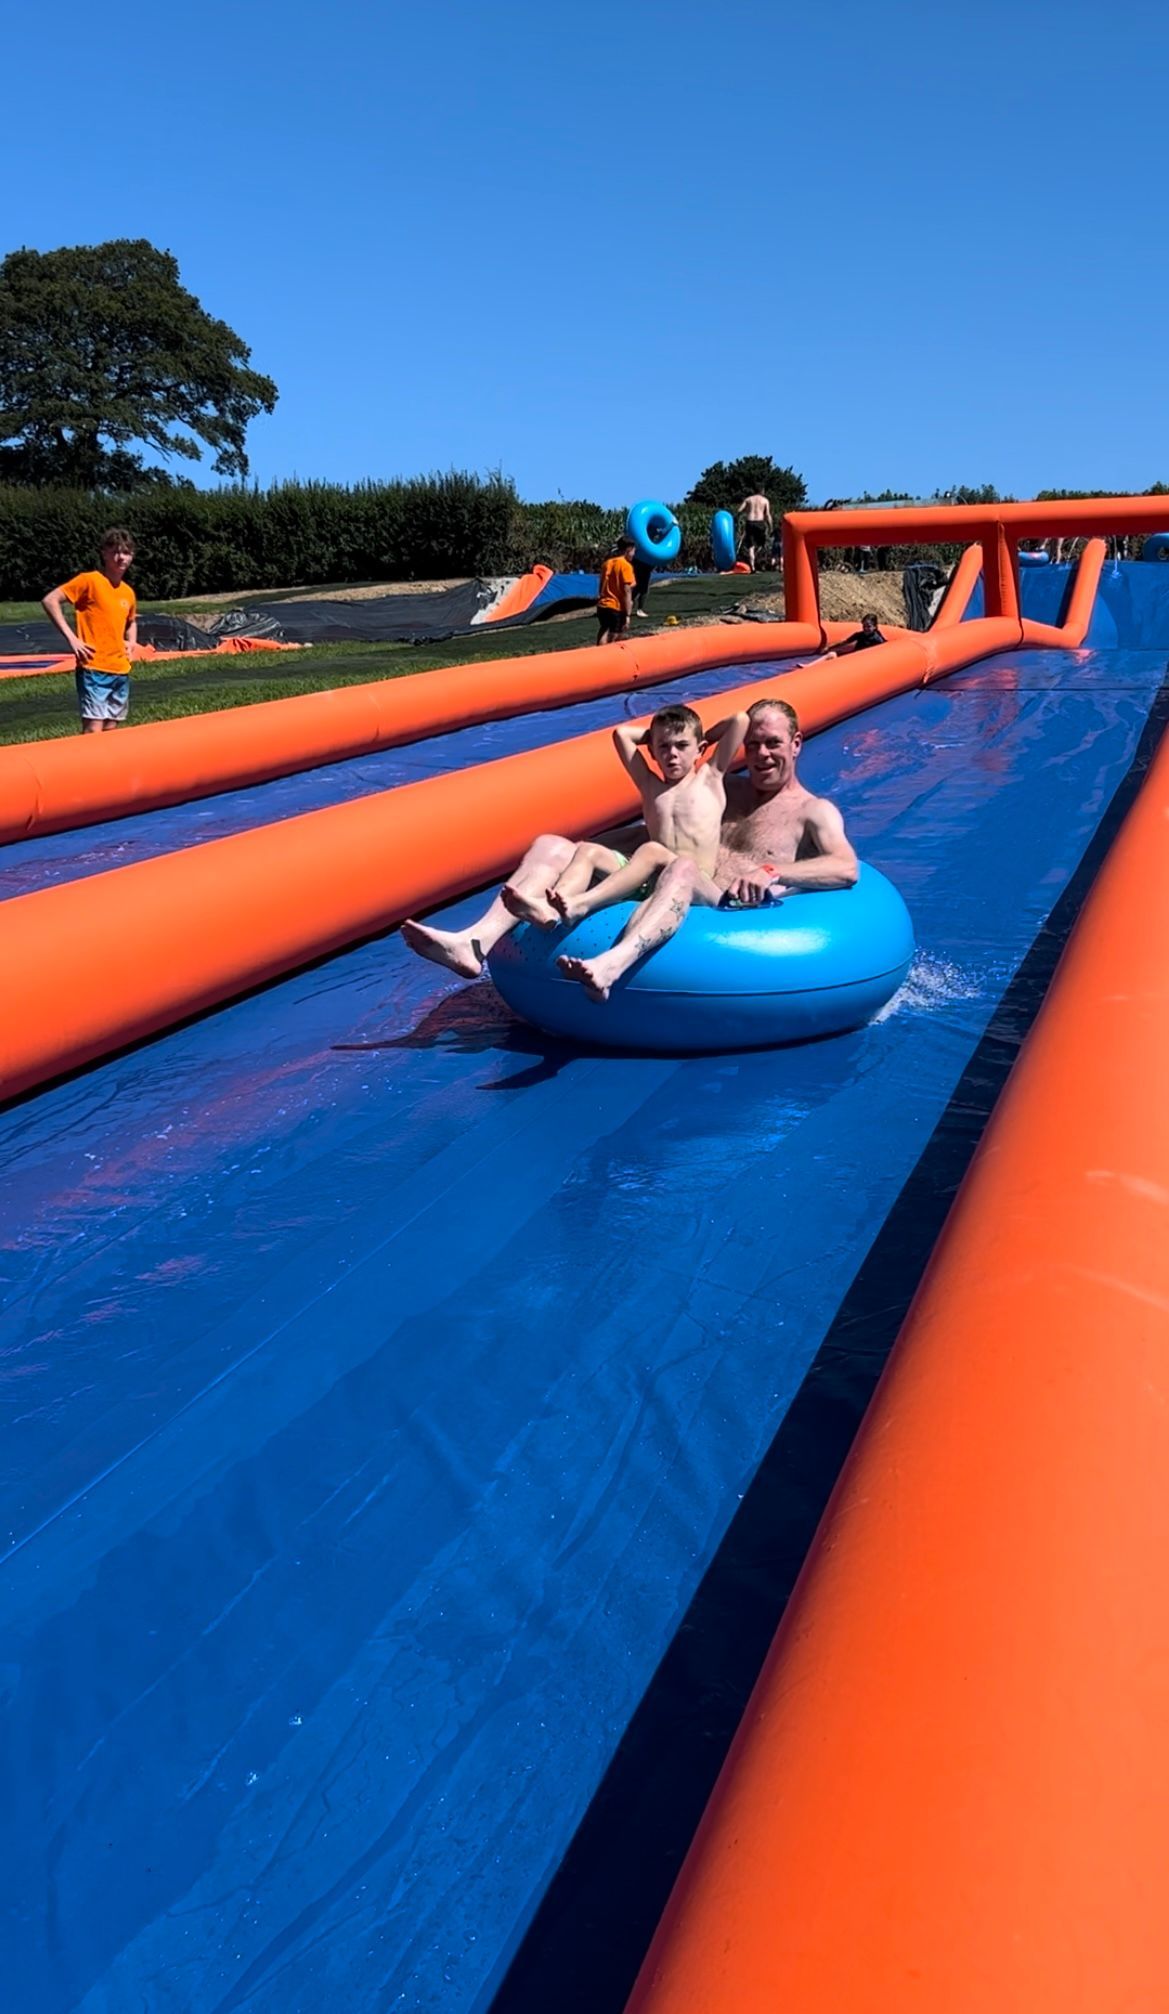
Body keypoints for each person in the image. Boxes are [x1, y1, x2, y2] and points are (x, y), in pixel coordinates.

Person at [399, 699, 857, 1004]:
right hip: (665, 882)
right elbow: (665, 826)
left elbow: (846, 867)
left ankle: (610, 965)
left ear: (796, 745)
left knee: (675, 866)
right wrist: (584, 850)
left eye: (773, 743)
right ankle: (473, 941)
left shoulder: (812, 812)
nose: (760, 754)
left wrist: (775, 871)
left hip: (724, 919)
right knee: (553, 846)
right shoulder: (724, 789)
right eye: (753, 744)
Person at [541, 703, 751, 934]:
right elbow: (621, 735)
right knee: (588, 851)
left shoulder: (710, 778)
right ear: (651, 752)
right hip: (652, 882)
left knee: (652, 850)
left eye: (682, 746)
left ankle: (585, 902)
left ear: (699, 749)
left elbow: (740, 720)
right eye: (664, 747)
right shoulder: (651, 786)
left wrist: (703, 737)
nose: (672, 754)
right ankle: (556, 905)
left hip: (695, 884)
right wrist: (662, 738)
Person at [42, 528, 138, 733]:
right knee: (94, 728)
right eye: (115, 551)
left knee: (112, 728)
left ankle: (110, 765)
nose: (121, 557)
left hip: (120, 669)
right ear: (104, 553)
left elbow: (131, 621)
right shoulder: (90, 581)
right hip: (94, 667)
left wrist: (131, 642)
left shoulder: (127, 592)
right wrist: (72, 639)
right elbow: (50, 601)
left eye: (126, 552)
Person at [596, 536, 637, 645]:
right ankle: (611, 657)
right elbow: (627, 590)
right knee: (616, 634)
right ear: (628, 550)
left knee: (604, 629)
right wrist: (628, 614)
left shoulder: (607, 563)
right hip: (616, 606)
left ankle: (599, 654)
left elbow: (601, 584)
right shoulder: (625, 566)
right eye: (633, 551)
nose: (634, 554)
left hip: (603, 605)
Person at [736, 493, 773, 571]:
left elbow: (739, 510)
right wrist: (770, 526)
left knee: (751, 546)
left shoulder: (748, 499)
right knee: (762, 544)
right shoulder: (765, 500)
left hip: (750, 522)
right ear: (762, 491)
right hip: (760, 523)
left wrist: (743, 514)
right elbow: (767, 515)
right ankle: (758, 561)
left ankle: (752, 567)